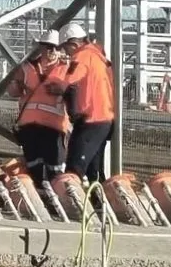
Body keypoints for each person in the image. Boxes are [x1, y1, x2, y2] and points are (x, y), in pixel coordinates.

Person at [7, 30, 71, 179]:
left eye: (56, 47)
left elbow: (76, 93)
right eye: (49, 46)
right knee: (33, 165)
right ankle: (39, 191)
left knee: (55, 166)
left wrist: (62, 90)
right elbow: (13, 91)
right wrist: (15, 86)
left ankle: (56, 194)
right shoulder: (27, 68)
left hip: (54, 127)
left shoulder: (67, 68)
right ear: (41, 47)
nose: (52, 50)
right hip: (29, 125)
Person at [58, 21, 118, 179]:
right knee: (94, 169)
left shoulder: (82, 56)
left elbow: (69, 81)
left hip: (91, 119)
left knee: (74, 167)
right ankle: (97, 200)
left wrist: (57, 88)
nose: (66, 53)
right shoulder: (98, 55)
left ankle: (71, 200)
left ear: (73, 43)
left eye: (65, 48)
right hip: (104, 118)